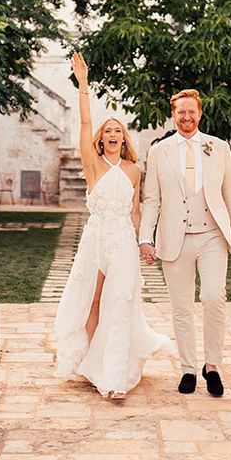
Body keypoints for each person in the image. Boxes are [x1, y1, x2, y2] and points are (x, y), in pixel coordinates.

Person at [53, 52, 172, 399]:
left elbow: (135, 213)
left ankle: (115, 377)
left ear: (124, 138)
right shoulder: (93, 166)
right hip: (95, 240)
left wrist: (144, 242)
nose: (112, 135)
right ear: (102, 140)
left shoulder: (134, 170)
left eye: (117, 131)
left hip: (121, 241)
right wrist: (83, 85)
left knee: (119, 303)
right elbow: (85, 125)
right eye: (108, 132)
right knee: (93, 303)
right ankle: (93, 362)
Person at [139, 89, 231, 397]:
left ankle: (212, 366)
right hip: (175, 238)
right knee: (181, 307)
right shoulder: (159, 151)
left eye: (192, 112)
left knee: (214, 297)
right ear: (173, 114)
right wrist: (145, 237)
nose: (187, 117)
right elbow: (152, 200)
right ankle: (188, 367)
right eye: (181, 112)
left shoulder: (219, 147)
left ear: (199, 114)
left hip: (213, 234)